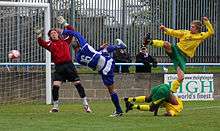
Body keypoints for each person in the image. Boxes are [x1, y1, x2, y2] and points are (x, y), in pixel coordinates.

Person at [60, 27, 127, 117]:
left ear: (73, 49)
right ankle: (120, 46)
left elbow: (92, 63)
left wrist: (99, 50)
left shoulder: (78, 59)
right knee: (105, 49)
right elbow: (76, 34)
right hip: (108, 62)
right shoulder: (85, 46)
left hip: (104, 70)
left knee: (111, 91)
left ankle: (119, 111)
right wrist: (63, 31)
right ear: (79, 45)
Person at [34, 16, 92, 113]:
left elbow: (72, 31)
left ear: (58, 34)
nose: (53, 34)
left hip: (69, 66)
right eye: (51, 34)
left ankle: (86, 105)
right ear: (50, 36)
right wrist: (39, 35)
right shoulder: (50, 44)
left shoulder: (65, 41)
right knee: (55, 87)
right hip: (59, 68)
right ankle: (55, 106)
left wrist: (65, 23)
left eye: (54, 32)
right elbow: (41, 43)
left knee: (78, 84)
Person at [144, 17, 214, 93]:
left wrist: (207, 22)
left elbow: (211, 32)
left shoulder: (201, 35)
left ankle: (171, 92)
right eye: (191, 26)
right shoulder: (185, 33)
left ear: (197, 29)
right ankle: (149, 42)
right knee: (166, 44)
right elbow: (174, 32)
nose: (191, 28)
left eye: (193, 27)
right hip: (176, 50)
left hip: (182, 58)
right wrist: (165, 29)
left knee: (181, 77)